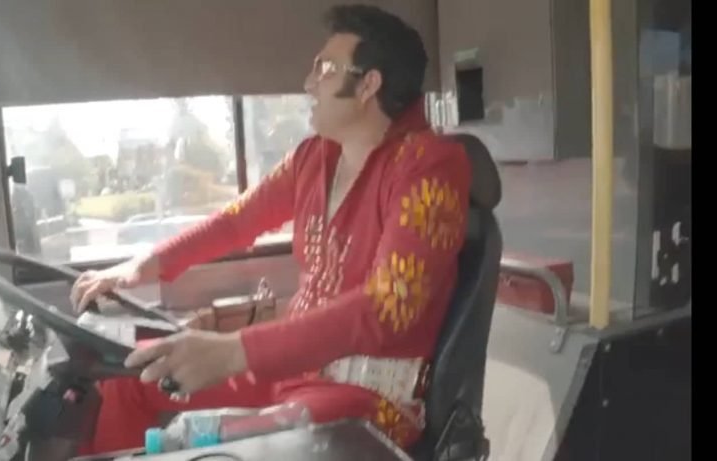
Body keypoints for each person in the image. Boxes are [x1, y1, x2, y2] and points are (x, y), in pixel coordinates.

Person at [71, 4, 471, 454]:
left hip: (366, 398)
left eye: (325, 68)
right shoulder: (312, 158)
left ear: (368, 84)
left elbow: (387, 306)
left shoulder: (429, 165)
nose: (309, 83)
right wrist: (142, 266)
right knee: (129, 377)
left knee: (218, 441)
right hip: (292, 369)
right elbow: (236, 222)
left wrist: (235, 350)